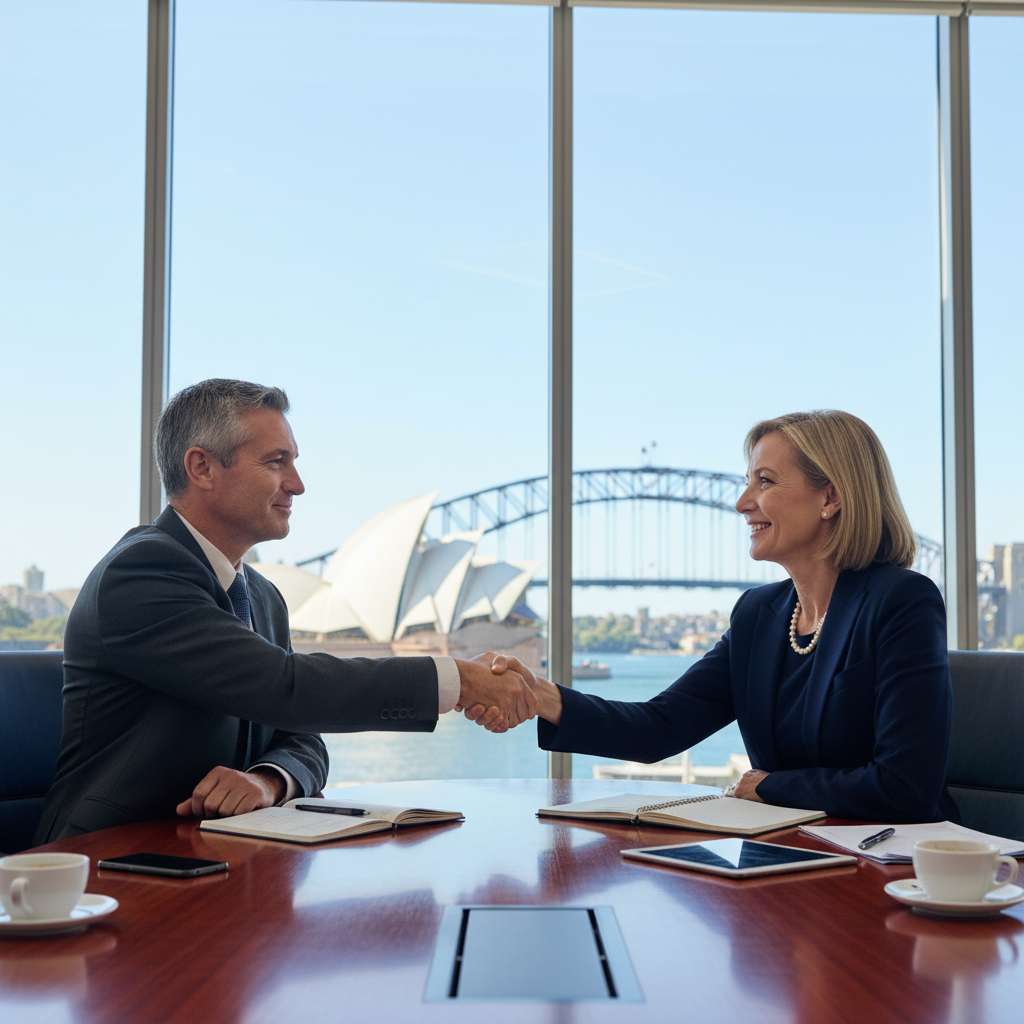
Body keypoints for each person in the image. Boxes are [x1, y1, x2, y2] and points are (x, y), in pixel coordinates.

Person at [35, 379, 534, 843]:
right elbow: (284, 688)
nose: (297, 484)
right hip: (108, 862)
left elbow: (304, 737)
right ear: (202, 467)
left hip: (217, 864)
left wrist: (268, 781)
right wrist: (459, 682)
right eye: (276, 462)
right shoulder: (141, 572)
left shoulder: (263, 596)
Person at [480, 410, 958, 823]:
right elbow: (659, 728)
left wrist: (769, 787)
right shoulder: (759, 615)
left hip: (896, 870)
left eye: (765, 481)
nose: (741, 502)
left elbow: (904, 789)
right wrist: (538, 694)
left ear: (830, 499)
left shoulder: (900, 601)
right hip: (790, 861)